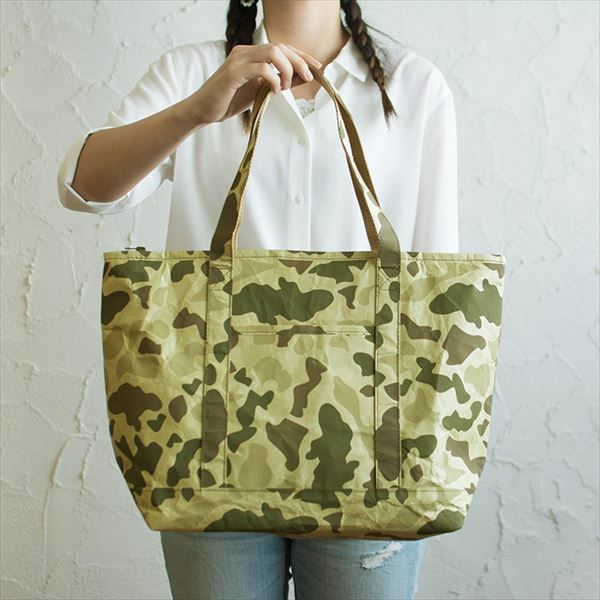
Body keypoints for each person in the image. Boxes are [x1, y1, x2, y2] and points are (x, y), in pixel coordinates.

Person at [57, 1, 458, 598]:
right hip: (206, 451)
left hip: (374, 457)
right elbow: (81, 188)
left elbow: (435, 289)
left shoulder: (414, 85)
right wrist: (198, 110)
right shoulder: (193, 72)